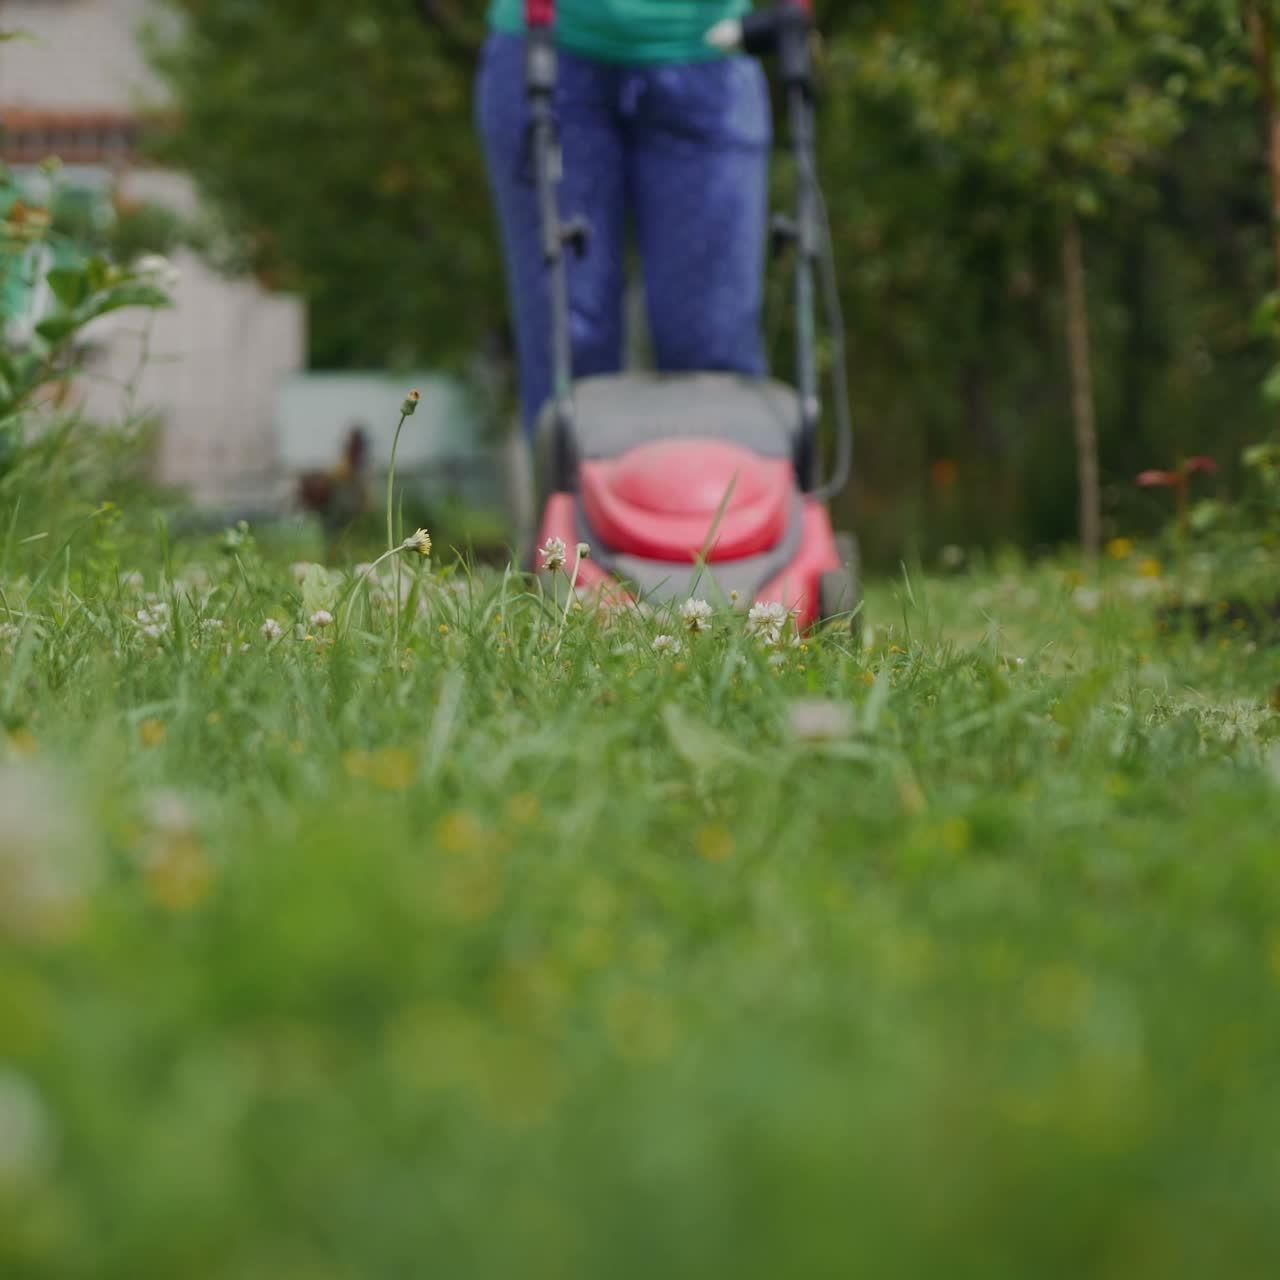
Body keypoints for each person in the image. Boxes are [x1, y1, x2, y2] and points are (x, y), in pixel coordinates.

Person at [475, 0, 770, 435]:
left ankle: (720, 497)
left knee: (712, 356)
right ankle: (574, 498)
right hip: (549, 44)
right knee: (570, 350)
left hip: (711, 56)